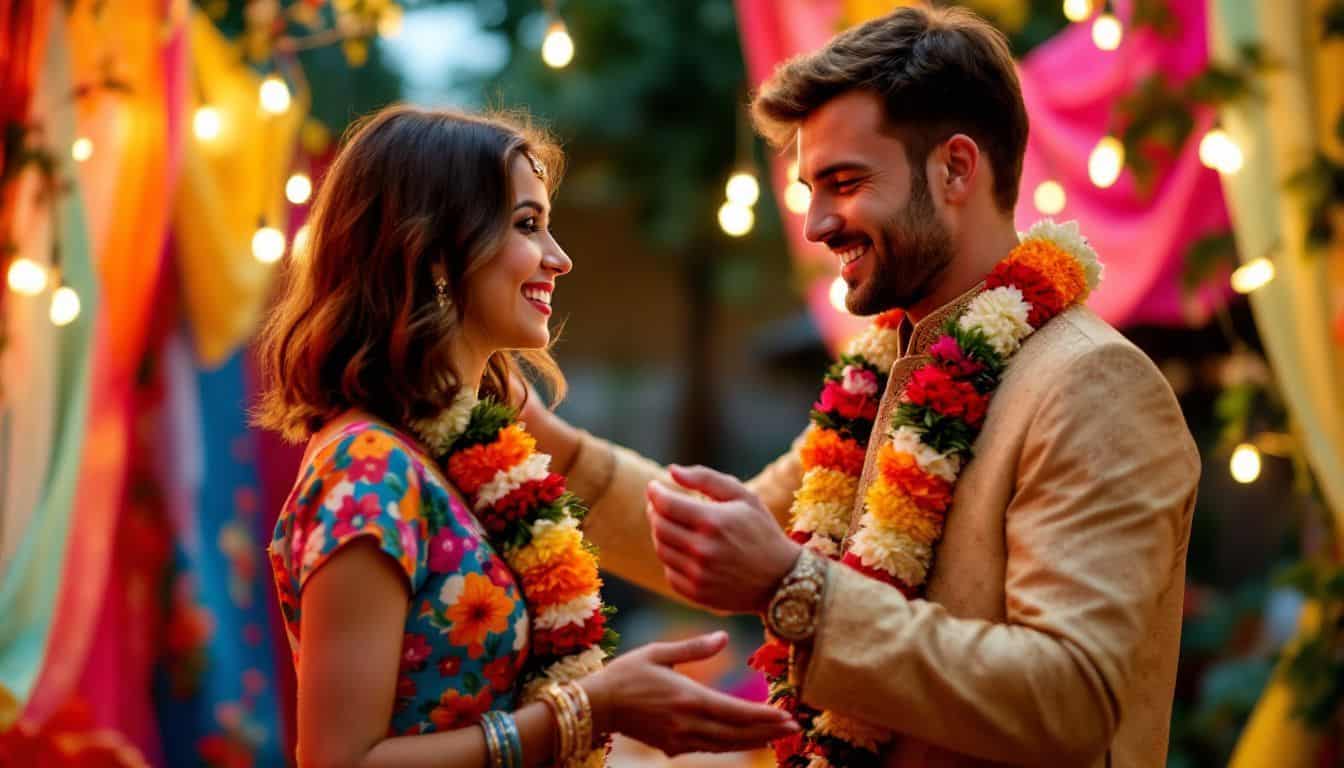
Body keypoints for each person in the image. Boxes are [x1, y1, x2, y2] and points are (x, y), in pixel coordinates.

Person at [522, 5, 1200, 766]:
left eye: (843, 183)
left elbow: (1070, 700)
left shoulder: (1094, 385)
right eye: (810, 187)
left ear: (955, 169)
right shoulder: (886, 374)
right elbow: (718, 543)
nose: (814, 224)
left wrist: (794, 586)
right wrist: (534, 435)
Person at [254, 105, 798, 768]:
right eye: (528, 225)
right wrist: (590, 710)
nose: (560, 259)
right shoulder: (367, 467)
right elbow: (338, 761)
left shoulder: (460, 459)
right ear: (432, 253)